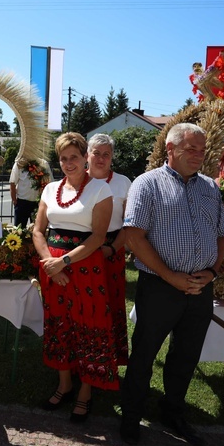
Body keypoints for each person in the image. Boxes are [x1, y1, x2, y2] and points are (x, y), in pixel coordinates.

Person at [120, 123, 224, 446]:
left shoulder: (210, 187)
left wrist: (211, 272)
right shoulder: (148, 184)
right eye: (191, 149)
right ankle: (130, 417)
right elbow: (133, 237)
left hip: (200, 288)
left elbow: (221, 235)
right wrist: (171, 277)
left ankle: (173, 412)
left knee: (185, 356)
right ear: (170, 149)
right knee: (143, 355)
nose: (199, 155)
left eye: (202, 149)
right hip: (159, 287)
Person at [32, 132, 115, 423]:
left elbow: (98, 237)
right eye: (64, 158)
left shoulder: (101, 191)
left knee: (88, 327)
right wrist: (49, 264)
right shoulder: (49, 189)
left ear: (85, 158)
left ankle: (85, 392)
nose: (69, 163)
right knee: (59, 325)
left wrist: (64, 261)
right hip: (53, 270)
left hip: (85, 269)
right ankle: (64, 385)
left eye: (74, 157)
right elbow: (38, 231)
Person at [86, 133, 131, 366]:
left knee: (110, 302)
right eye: (96, 153)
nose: (101, 158)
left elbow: (129, 225)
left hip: (111, 250)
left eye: (106, 154)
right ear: (87, 154)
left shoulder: (124, 183)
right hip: (80, 250)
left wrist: (112, 249)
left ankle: (110, 357)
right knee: (83, 303)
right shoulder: (76, 179)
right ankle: (80, 357)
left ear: (112, 157)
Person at [10, 158, 52, 228]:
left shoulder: (43, 164)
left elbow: (50, 183)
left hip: (38, 203)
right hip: (22, 203)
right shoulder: (19, 164)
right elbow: (12, 183)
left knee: (37, 230)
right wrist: (15, 201)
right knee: (19, 231)